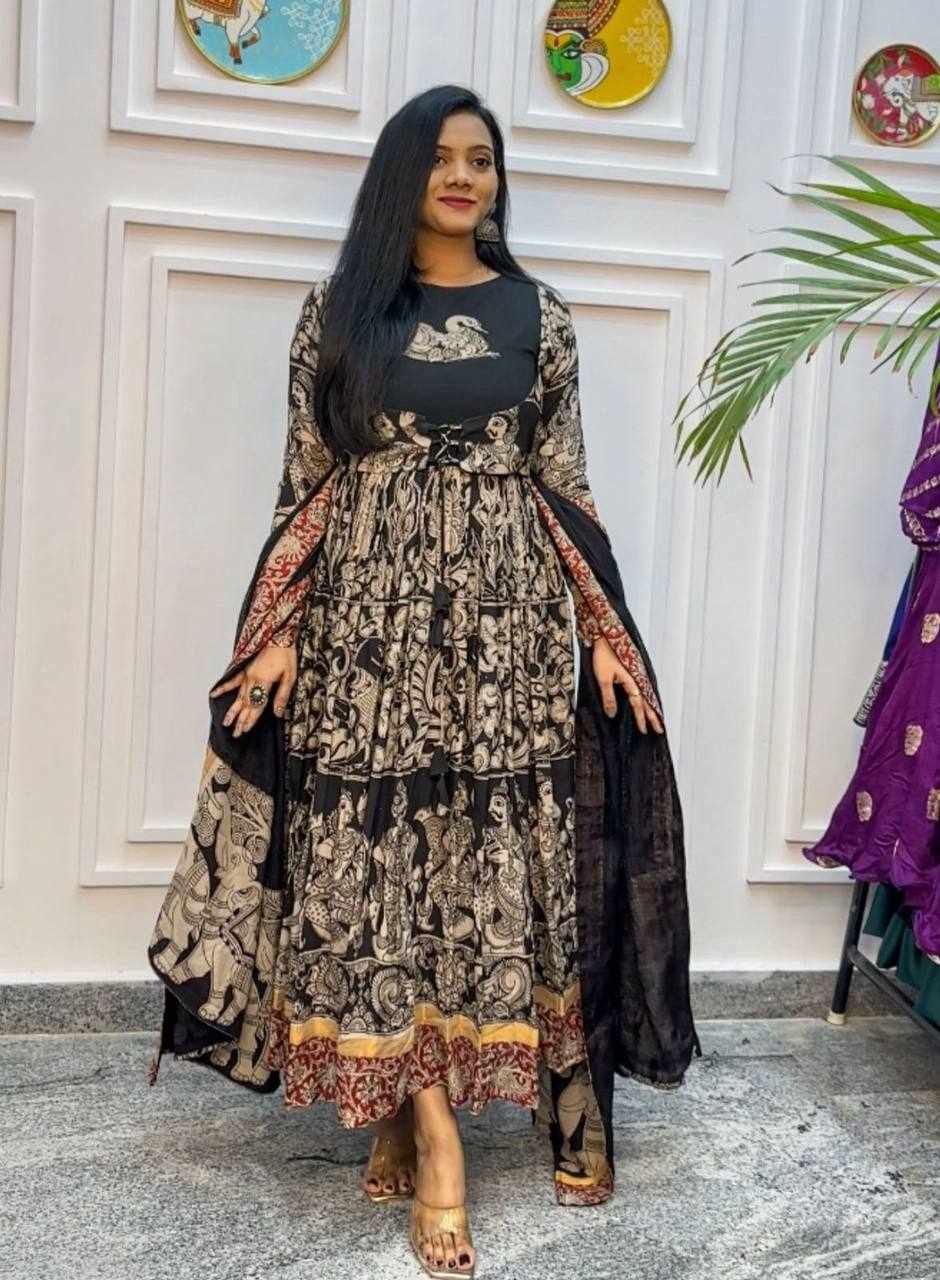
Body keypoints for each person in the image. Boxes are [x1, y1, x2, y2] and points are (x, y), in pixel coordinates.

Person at [146, 83, 700, 1279]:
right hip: (366, 629)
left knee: (492, 864)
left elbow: (565, 486)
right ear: (404, 173)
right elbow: (305, 484)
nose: (463, 177)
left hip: (506, 631)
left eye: (481, 159)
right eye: (442, 158)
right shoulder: (340, 314)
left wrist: (604, 631)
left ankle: (424, 1103)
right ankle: (433, 1133)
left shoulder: (537, 316)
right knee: (380, 871)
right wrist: (278, 633)